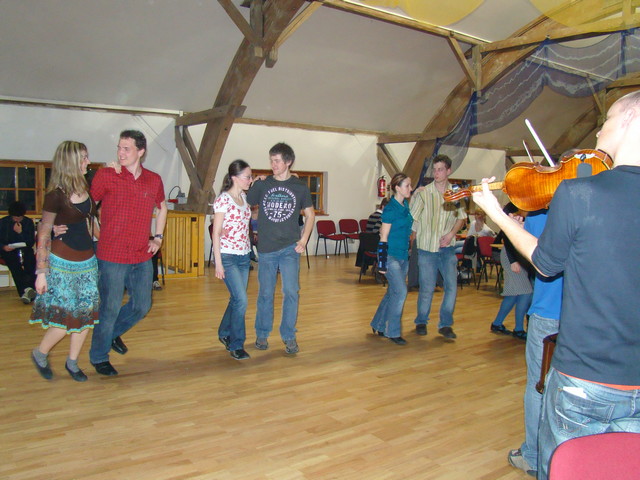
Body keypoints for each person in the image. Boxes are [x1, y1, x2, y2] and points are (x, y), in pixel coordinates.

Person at [473, 90, 640, 480]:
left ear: (631, 121)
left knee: (568, 468)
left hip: (587, 373)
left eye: (607, 120)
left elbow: (546, 264)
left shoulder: (582, 193)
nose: (598, 130)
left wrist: (497, 213)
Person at [88, 130, 167, 376]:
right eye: (119, 148)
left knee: (142, 305)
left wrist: (158, 237)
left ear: (140, 151)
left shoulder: (153, 180)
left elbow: (162, 207)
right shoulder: (107, 175)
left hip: (141, 254)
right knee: (109, 308)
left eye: (126, 148)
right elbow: (86, 206)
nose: (120, 153)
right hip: (111, 255)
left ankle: (111, 334)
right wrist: (92, 231)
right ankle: (99, 357)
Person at [28, 141, 99, 382]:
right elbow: (44, 232)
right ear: (70, 161)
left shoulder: (86, 187)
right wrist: (41, 272)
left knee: (86, 317)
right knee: (64, 320)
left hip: (87, 261)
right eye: (84, 158)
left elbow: (89, 222)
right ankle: (40, 353)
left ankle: (73, 362)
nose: (88, 162)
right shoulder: (55, 195)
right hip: (62, 262)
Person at [506, 209, 562, 477]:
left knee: (538, 386)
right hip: (587, 315)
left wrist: (515, 228)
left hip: (549, 312)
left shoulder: (540, 216)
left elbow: (530, 259)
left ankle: (534, 455)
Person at [246, 142, 315, 355]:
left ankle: (289, 335)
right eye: (271, 160)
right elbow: (247, 200)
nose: (273, 165)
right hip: (266, 248)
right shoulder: (263, 184)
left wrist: (304, 239)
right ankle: (262, 333)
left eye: (276, 161)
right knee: (266, 294)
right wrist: (254, 182)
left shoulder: (299, 187)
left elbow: (310, 214)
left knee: (291, 292)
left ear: (288, 162)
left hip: (289, 249)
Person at [409, 154, 466, 339]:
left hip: (447, 248)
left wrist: (450, 234)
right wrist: (414, 196)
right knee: (426, 288)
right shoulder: (424, 193)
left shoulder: (455, 193)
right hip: (426, 248)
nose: (436, 173)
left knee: (451, 287)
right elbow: (412, 217)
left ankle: (445, 325)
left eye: (440, 169)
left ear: (449, 171)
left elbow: (461, 218)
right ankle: (421, 321)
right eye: (434, 170)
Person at [212, 159, 253, 360]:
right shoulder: (223, 200)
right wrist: (218, 263)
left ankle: (224, 332)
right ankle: (237, 345)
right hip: (228, 257)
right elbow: (216, 232)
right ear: (235, 178)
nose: (250, 180)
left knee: (237, 299)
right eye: (248, 177)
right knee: (241, 300)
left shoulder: (244, 197)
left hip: (244, 256)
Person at [369, 173, 413, 345]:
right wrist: (381, 262)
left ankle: (378, 324)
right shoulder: (390, 209)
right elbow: (383, 235)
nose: (410, 188)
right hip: (389, 256)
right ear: (397, 188)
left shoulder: (405, 205)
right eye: (407, 185)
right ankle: (392, 332)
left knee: (392, 292)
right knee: (400, 292)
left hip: (403, 255)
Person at [489, 203, 532, 340]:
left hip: (520, 255)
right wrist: (513, 260)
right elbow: (507, 237)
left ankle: (497, 324)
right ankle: (518, 329)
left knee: (514, 294)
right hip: (511, 256)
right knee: (526, 292)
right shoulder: (513, 206)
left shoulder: (527, 205)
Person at [0, 201, 36, 303]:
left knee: (31, 263)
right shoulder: (3, 222)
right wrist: (3, 247)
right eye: (15, 218)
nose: (17, 220)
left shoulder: (28, 222)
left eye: (19, 218)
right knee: (14, 265)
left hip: (25, 249)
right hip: (8, 250)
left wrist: (20, 233)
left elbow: (30, 242)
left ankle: (27, 292)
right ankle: (28, 290)